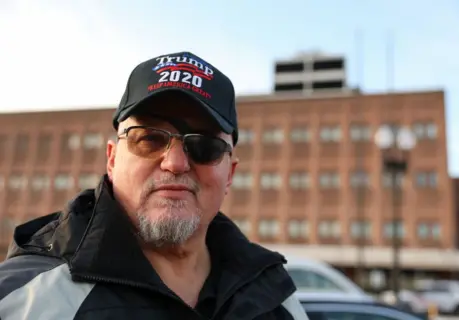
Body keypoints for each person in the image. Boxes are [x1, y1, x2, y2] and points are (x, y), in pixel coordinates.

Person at [0, 51, 308, 319]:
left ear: (230, 174)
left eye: (204, 146)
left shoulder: (277, 300)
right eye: (148, 138)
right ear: (112, 159)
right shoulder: (22, 300)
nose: (174, 163)